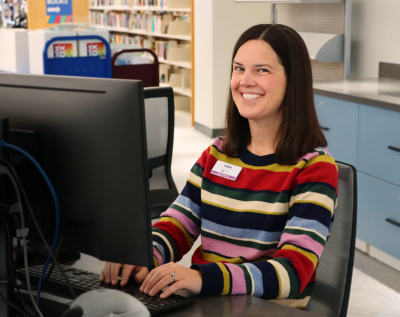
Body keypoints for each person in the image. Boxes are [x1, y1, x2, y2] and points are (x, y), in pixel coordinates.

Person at [100, 23, 338, 309]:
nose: (244, 81)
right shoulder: (218, 154)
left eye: (262, 70)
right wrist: (142, 256)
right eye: (238, 68)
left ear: (293, 81)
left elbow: (291, 274)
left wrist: (201, 278)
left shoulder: (313, 168)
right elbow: (178, 223)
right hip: (210, 302)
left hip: (266, 310)